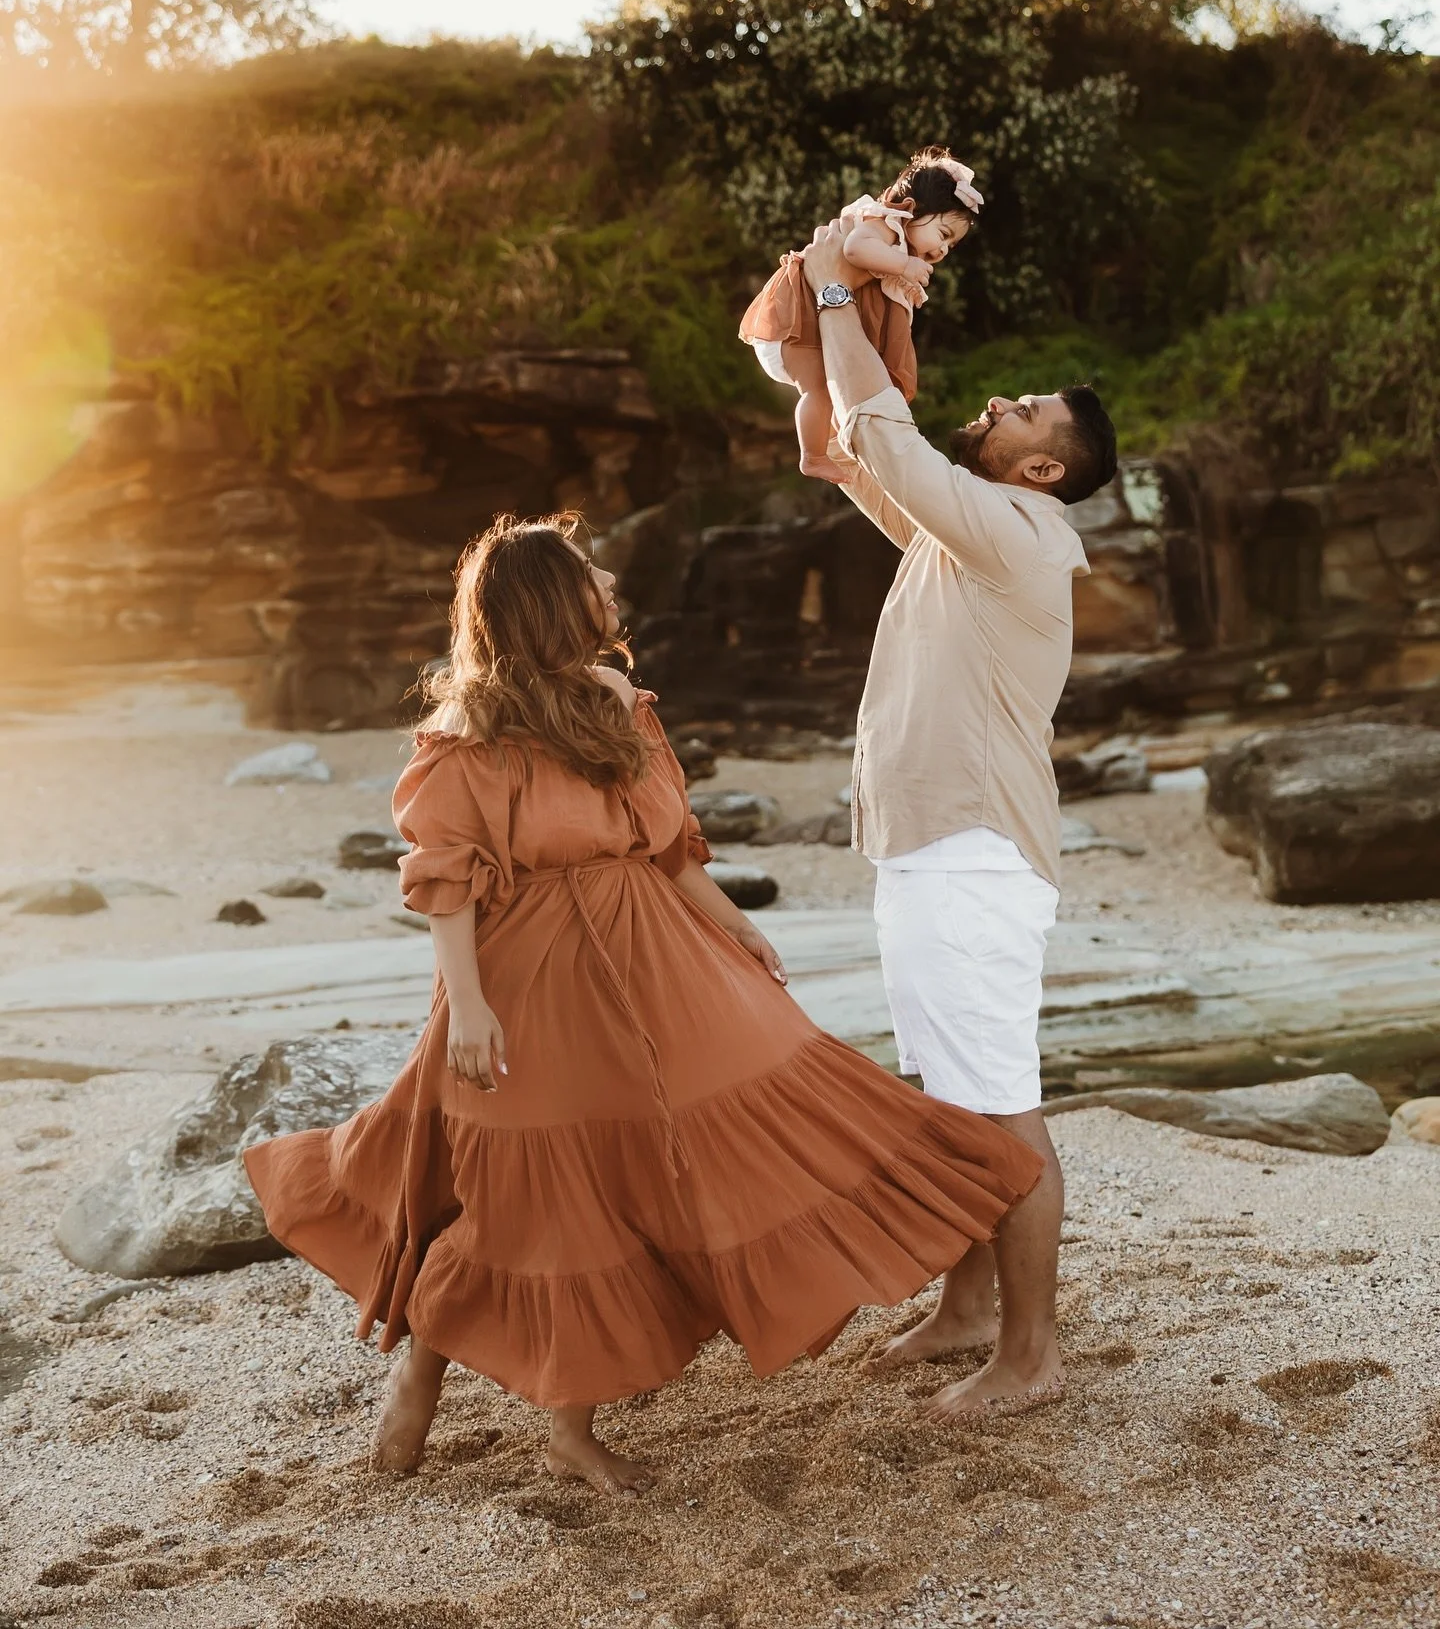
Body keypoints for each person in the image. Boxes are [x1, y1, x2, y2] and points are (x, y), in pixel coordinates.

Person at [243, 512, 1045, 1493]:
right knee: (526, 1192)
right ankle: (422, 1373)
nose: (609, 583)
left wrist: (735, 923)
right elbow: (446, 885)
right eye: (589, 572)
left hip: (652, 962)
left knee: (666, 1157)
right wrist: (471, 1005)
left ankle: (569, 1428)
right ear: (546, 603)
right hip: (527, 978)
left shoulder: (616, 703)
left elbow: (664, 848)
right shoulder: (465, 739)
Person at [800, 217, 1118, 1421]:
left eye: (1025, 412)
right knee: (949, 1097)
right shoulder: (968, 532)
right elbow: (850, 449)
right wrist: (846, 304)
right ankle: (969, 1305)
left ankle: (1031, 1354)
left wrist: (839, 292)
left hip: (974, 857)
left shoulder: (1020, 532)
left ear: (1041, 472)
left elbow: (885, 431)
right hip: (932, 851)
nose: (1000, 403)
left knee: (998, 1101)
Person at [741, 146, 983, 482]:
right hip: (796, 321)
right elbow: (855, 248)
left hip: (810, 323)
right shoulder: (885, 223)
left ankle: (835, 444)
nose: (943, 249)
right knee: (818, 390)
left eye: (951, 246)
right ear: (912, 209)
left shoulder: (896, 241)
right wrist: (904, 264)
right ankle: (812, 457)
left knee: (832, 390)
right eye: (943, 235)